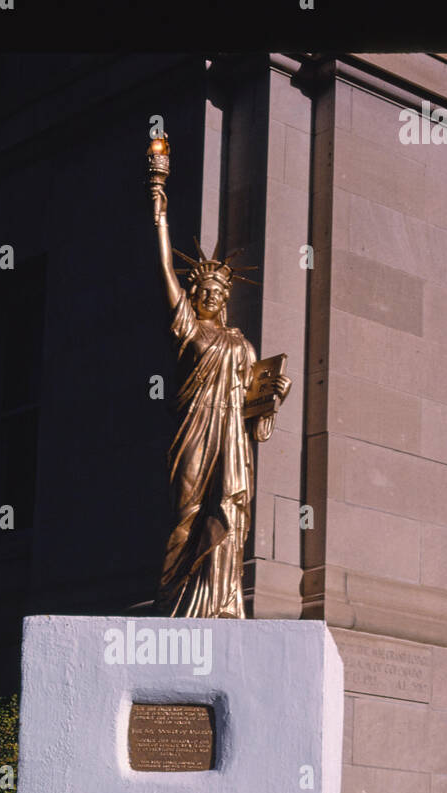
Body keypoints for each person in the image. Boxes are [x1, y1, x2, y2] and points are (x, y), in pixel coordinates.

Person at [151, 180, 290, 618]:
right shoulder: (189, 330)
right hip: (195, 426)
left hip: (230, 432)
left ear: (225, 299)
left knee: (229, 506)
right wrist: (160, 218)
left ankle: (220, 599)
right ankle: (174, 596)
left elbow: (255, 409)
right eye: (203, 291)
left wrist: (275, 397)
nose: (210, 296)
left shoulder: (239, 343)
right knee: (186, 512)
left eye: (218, 292)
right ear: (194, 296)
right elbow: (167, 275)